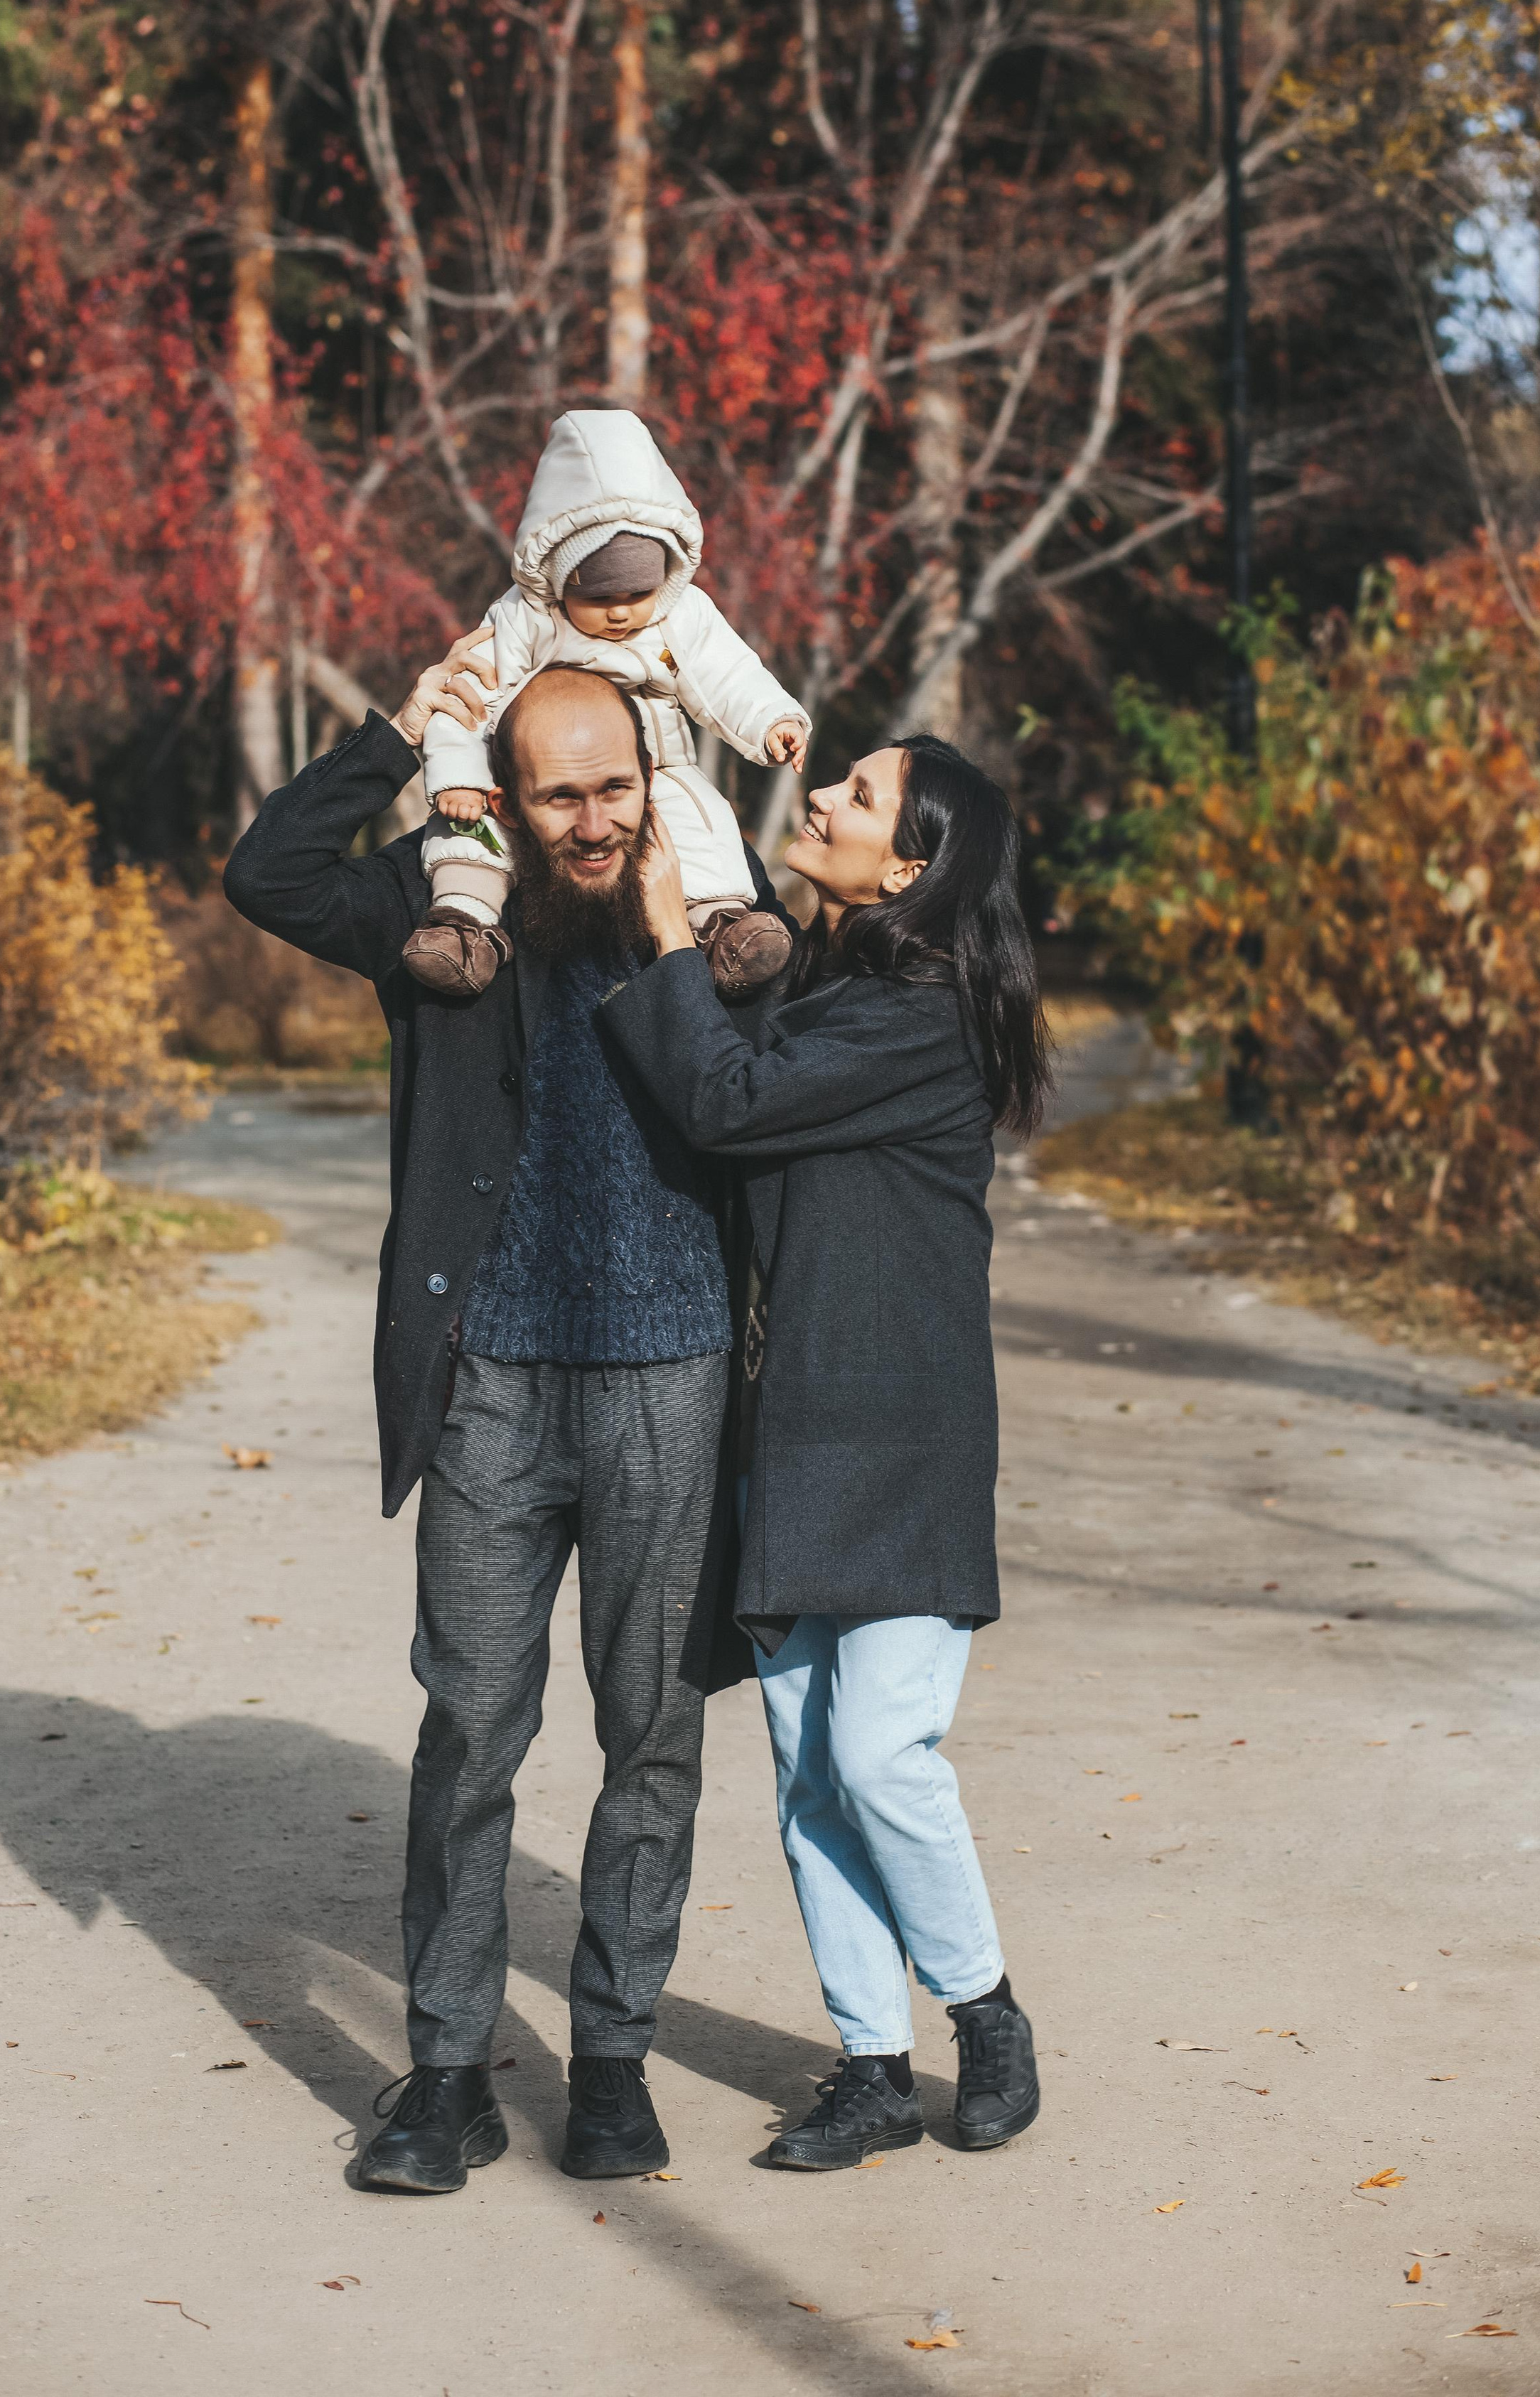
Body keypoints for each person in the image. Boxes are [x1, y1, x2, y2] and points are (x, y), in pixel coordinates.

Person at [223, 656, 773, 2194]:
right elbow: (264, 871)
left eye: (615, 787)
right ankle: (446, 2074)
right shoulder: (437, 901)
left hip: (668, 1370)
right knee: (469, 1726)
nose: (593, 822)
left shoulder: (707, 905)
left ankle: (611, 2062)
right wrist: (406, 732)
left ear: (649, 774)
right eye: (559, 795)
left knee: (648, 1735)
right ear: (505, 799)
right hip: (490, 1382)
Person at [601, 735, 1052, 2171]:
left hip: (904, 1428)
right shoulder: (833, 979)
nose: (825, 801)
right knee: (807, 1764)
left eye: (856, 796)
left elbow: (724, 1099)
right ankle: (868, 2063)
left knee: (879, 1749)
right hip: (788, 1419)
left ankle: (981, 2010)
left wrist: (666, 931)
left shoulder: (922, 1013)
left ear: (908, 866)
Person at [406, 408, 806, 1001]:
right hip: (528, 773)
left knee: (700, 820)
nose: (621, 613)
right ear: (560, 580)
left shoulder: (682, 615)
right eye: (599, 597)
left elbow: (729, 674)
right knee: (473, 825)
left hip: (655, 765)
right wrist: (457, 776)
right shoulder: (522, 619)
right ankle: (463, 924)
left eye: (638, 594)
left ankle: (720, 925)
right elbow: (469, 696)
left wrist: (773, 719)